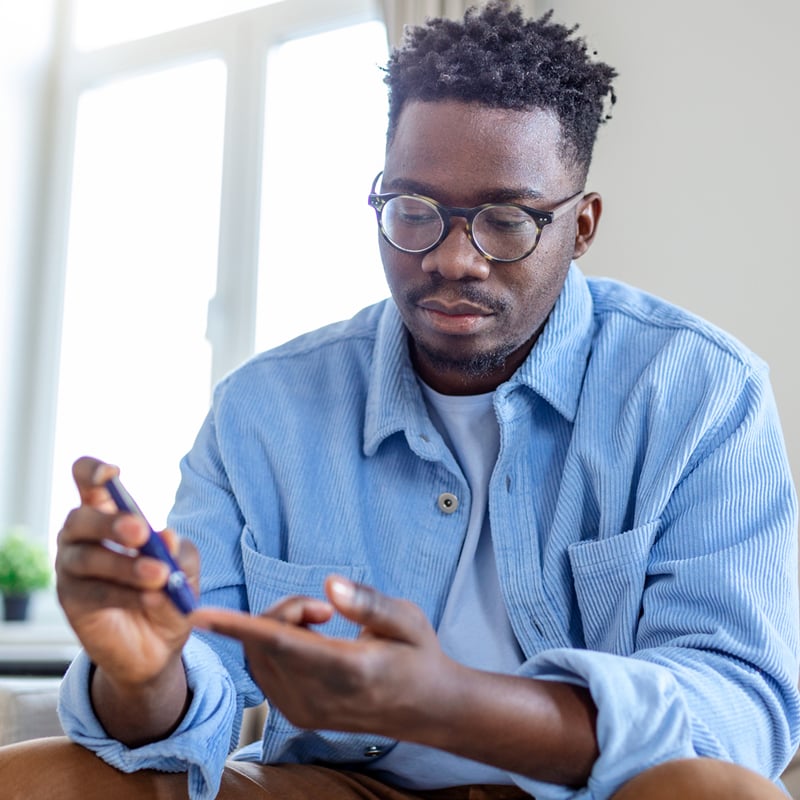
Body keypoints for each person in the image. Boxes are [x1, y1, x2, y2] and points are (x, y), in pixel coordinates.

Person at [0, 3, 798, 799]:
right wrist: (141, 675)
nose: (455, 259)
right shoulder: (263, 410)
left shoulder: (700, 393)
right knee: (33, 781)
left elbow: (738, 713)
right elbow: (192, 706)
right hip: (345, 787)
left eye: (508, 220)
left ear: (582, 224)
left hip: (592, 792)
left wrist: (450, 705)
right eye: (415, 211)